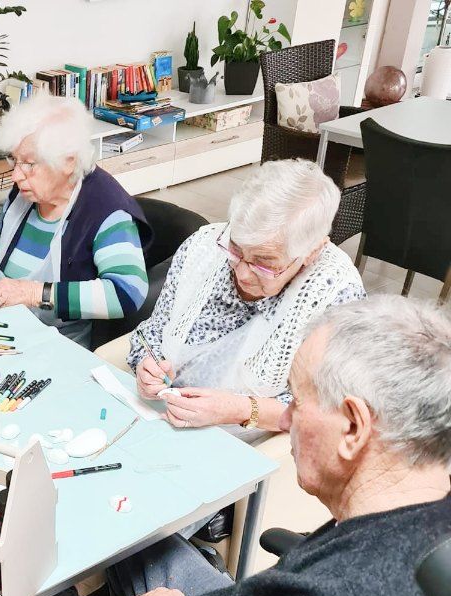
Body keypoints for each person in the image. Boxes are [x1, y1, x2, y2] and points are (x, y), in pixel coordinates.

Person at [14, 295, 451, 596]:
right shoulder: (412, 522)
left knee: (29, 579)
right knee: (142, 542)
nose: (287, 418)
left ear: (352, 426)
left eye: (297, 401)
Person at [128, 159, 365, 439]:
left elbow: (327, 411)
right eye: (236, 249)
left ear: (312, 252)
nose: (242, 273)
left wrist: (239, 410)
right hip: (161, 419)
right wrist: (147, 364)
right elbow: (152, 332)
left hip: (246, 445)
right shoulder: (203, 247)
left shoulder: (337, 295)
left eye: (264, 263)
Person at [0, 93, 151, 348]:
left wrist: (33, 292)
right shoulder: (25, 194)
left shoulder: (106, 209)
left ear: (68, 161)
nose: (16, 176)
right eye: (15, 160)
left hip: (56, 345)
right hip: (2, 327)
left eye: (29, 163)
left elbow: (128, 292)